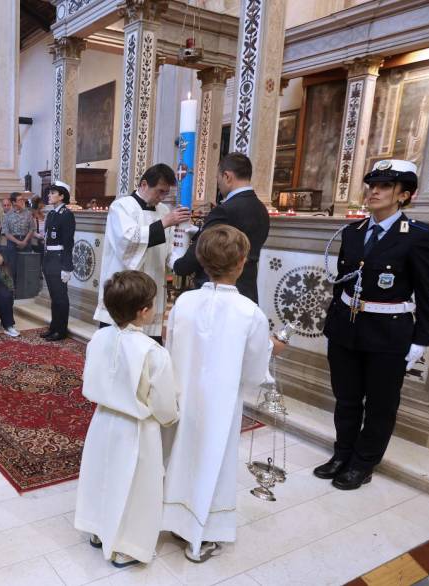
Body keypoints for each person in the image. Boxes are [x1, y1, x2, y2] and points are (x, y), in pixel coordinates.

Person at [162, 225, 285, 563]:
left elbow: (170, 349)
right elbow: (255, 367)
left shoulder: (184, 302)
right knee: (213, 460)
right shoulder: (250, 312)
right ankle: (200, 537)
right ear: (242, 262)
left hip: (183, 392)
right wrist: (275, 351)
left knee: (181, 453)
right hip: (221, 400)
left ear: (201, 259)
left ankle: (173, 518)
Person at [315, 160, 429, 490]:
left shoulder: (417, 237)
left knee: (381, 403)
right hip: (346, 328)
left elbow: (427, 292)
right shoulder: (354, 232)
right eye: (372, 184)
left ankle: (363, 462)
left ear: (404, 195)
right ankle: (342, 453)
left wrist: (422, 338)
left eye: (384, 186)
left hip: (388, 332)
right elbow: (344, 281)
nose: (374, 190)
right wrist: (335, 321)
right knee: (346, 397)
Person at [74, 270, 180, 568]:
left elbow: (90, 378)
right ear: (144, 312)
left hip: (103, 420)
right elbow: (163, 404)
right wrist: (170, 418)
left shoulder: (98, 337)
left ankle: (98, 529)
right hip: (137, 429)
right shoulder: (153, 352)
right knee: (135, 487)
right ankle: (126, 546)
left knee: (102, 475)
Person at [93, 164, 191, 342]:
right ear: (144, 184)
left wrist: (181, 260)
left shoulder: (163, 211)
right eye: (159, 191)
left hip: (153, 284)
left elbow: (168, 249)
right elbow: (128, 240)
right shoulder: (121, 207)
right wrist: (164, 223)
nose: (161, 198)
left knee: (148, 346)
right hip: (125, 289)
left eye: (165, 193)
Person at [171, 152, 269, 303]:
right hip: (247, 291)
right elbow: (232, 240)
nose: (218, 185)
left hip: (218, 292)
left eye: (218, 179)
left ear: (227, 176)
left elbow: (204, 248)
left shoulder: (226, 209)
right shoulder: (261, 208)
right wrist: (199, 232)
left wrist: (178, 265)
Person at [41, 181, 76, 341]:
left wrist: (67, 267)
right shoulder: (52, 213)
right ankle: (54, 326)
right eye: (49, 193)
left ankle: (61, 330)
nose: (49, 195)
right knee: (54, 296)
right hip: (49, 259)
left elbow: (69, 243)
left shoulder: (66, 215)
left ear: (62, 196)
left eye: (53, 193)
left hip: (59, 259)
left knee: (61, 297)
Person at [0, 191, 34, 285]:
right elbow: (6, 232)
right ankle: (13, 289)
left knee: (26, 267)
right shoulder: (8, 215)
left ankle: (25, 290)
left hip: (26, 241)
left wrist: (24, 241)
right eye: (20, 200)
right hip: (12, 242)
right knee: (13, 267)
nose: (22, 201)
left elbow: (32, 229)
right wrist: (18, 242)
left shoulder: (28, 213)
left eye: (22, 199)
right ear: (14, 202)